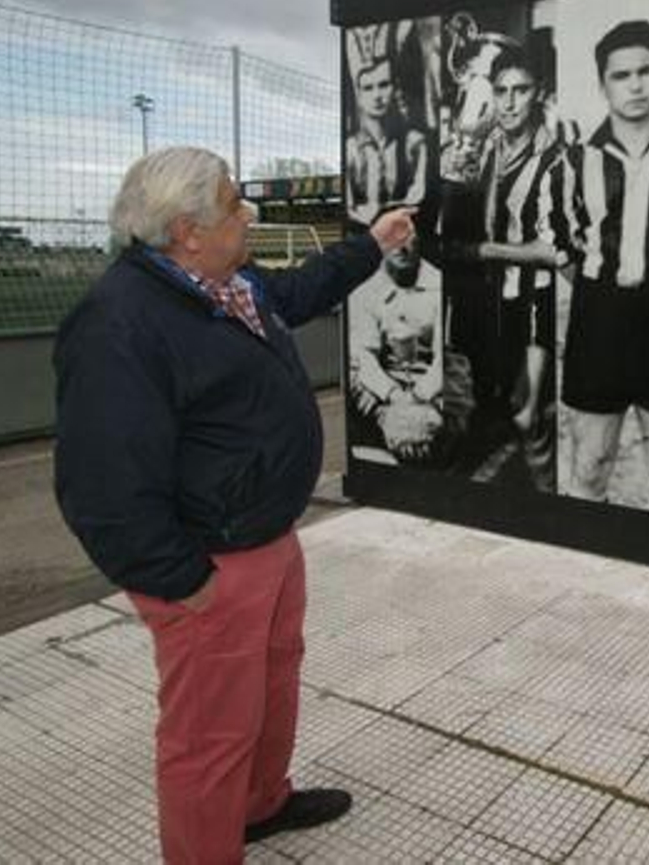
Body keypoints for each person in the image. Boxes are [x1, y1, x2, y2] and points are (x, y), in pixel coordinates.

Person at [53, 146, 415, 863]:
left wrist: (372, 244)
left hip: (267, 538)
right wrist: (185, 582)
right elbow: (102, 487)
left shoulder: (228, 281)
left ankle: (259, 806)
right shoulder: (119, 323)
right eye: (232, 202)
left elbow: (301, 291)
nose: (248, 212)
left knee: (273, 683)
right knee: (208, 736)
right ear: (188, 229)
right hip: (208, 562)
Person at [556, 20, 649, 513]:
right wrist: (605, 286)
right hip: (601, 323)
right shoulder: (577, 158)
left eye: (646, 70)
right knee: (590, 465)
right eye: (622, 75)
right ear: (603, 84)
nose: (636, 84)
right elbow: (561, 239)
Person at [471, 44, 570, 490]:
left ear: (539, 94)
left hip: (538, 298)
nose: (509, 102)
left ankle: (551, 499)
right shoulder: (487, 147)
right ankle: (540, 487)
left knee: (529, 414)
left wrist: (486, 251)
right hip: (498, 298)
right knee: (514, 403)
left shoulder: (554, 156)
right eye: (501, 91)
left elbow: (555, 250)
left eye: (521, 91)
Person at [346, 245, 475, 467]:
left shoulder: (439, 283)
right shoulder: (365, 286)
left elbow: (442, 358)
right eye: (393, 237)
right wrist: (394, 395)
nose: (402, 247)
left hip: (434, 383)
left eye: (408, 236)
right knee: (354, 374)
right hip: (387, 384)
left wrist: (419, 396)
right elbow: (366, 357)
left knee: (439, 427)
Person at [344, 27, 429, 224]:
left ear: (394, 88)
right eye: (368, 88)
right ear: (359, 95)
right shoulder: (351, 149)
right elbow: (350, 208)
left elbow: (418, 197)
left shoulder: (414, 144)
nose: (377, 96)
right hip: (367, 242)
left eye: (384, 85)